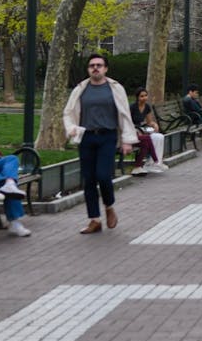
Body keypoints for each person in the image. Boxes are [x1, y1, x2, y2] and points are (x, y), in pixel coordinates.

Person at [63, 53, 137, 234]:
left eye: (99, 65)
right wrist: (71, 127)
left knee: (103, 176)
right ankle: (94, 220)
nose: (95, 68)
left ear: (105, 69)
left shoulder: (115, 88)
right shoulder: (80, 89)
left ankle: (109, 206)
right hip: (87, 137)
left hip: (107, 136)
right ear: (88, 69)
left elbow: (125, 115)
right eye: (92, 66)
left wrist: (127, 140)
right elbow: (68, 112)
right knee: (89, 179)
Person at [129, 87, 167, 175]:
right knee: (147, 139)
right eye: (142, 96)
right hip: (133, 131)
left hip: (142, 130)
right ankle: (155, 161)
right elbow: (128, 123)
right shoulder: (132, 107)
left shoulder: (147, 106)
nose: (144, 98)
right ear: (137, 97)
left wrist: (154, 125)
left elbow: (149, 121)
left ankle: (155, 162)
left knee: (159, 136)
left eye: (146, 96)